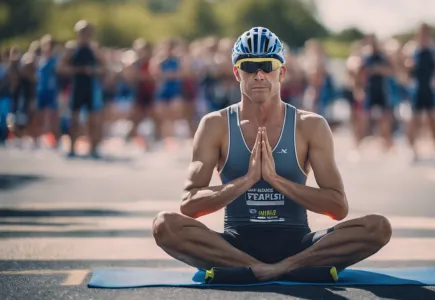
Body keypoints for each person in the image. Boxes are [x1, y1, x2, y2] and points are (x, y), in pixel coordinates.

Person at [152, 27, 392, 282]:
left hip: (297, 241)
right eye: (249, 66)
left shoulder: (310, 125)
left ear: (282, 72)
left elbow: (338, 207)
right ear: (236, 73)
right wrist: (246, 181)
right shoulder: (215, 125)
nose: (259, 75)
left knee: (377, 228)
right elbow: (189, 204)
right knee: (164, 225)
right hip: (236, 244)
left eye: (267, 65)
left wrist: (277, 181)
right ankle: (263, 267)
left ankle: (277, 267)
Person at [57, 20, 105, 158]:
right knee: (74, 119)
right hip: (76, 87)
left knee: (93, 120)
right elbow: (60, 68)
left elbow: (104, 68)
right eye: (83, 31)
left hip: (91, 88)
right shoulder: (72, 49)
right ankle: (72, 148)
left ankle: (93, 148)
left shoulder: (94, 49)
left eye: (88, 31)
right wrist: (79, 70)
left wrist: (93, 71)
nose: (85, 34)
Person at [402, 24, 435, 161]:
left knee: (434, 120)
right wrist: (407, 74)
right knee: (414, 121)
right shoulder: (411, 50)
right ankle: (413, 151)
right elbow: (404, 69)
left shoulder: (434, 50)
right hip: (417, 90)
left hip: (430, 89)